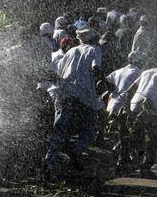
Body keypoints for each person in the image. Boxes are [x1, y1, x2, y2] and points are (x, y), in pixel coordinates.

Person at [43, 28, 103, 180]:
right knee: (90, 127)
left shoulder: (70, 51)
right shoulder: (94, 49)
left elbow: (59, 73)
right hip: (84, 96)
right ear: (93, 38)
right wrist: (107, 83)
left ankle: (49, 163)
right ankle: (77, 150)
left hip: (66, 95)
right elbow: (96, 68)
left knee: (59, 131)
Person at [104, 52, 144, 171]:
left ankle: (121, 154)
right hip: (124, 106)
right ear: (139, 62)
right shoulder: (138, 73)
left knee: (121, 132)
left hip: (112, 106)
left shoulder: (119, 71)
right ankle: (122, 158)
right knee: (128, 133)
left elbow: (104, 82)